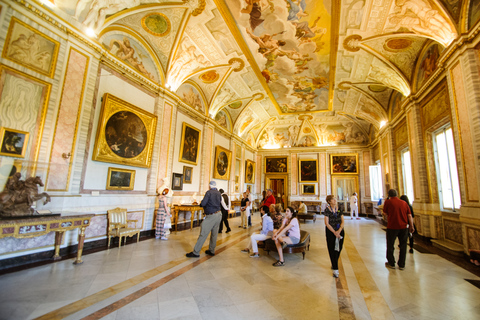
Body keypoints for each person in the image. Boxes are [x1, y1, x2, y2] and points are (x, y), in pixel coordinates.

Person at [186, 181, 223, 258]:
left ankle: (196, 252)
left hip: (211, 215)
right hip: (219, 214)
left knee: (203, 233)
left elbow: (203, 203)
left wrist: (201, 203)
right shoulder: (219, 193)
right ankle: (211, 250)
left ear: (209, 186)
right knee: (214, 234)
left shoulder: (209, 192)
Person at [383, 189, 415, 269]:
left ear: (389, 195)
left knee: (390, 245)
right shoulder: (404, 203)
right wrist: (411, 226)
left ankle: (391, 262)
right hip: (404, 227)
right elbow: (409, 216)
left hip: (392, 227)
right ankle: (401, 264)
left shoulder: (388, 202)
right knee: (403, 246)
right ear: (397, 194)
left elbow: (385, 213)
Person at [324, 195, 345, 278]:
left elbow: (342, 221)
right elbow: (326, 223)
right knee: (332, 249)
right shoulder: (327, 210)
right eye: (333, 199)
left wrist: (339, 230)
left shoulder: (339, 208)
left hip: (340, 231)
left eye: (335, 198)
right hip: (330, 232)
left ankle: (334, 262)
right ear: (329, 201)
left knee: (339, 248)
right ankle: (335, 269)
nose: (335, 200)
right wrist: (334, 232)